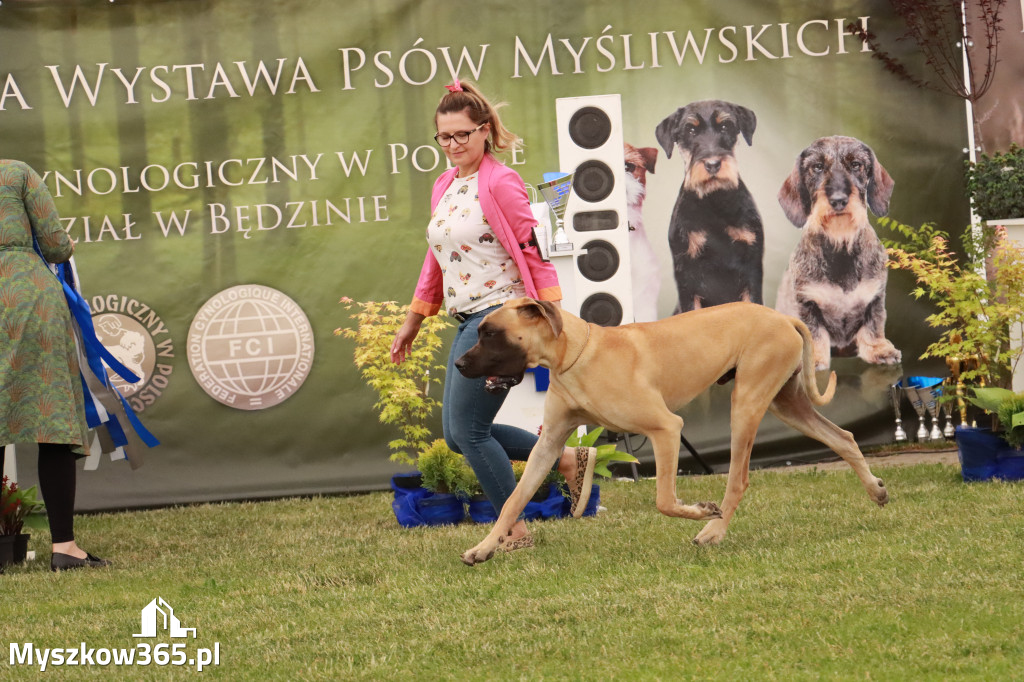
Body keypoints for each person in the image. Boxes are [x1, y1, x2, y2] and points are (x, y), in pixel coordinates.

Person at [390, 80, 596, 550]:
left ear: (484, 131)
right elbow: (436, 259)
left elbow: (532, 249)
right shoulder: (445, 184)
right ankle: (566, 461)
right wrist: (414, 319)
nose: (453, 145)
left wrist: (551, 315)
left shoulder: (501, 182)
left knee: (469, 430)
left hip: (501, 320)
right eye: (444, 137)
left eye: (462, 135)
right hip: (466, 319)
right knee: (460, 435)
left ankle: (513, 530)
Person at [0, 159, 111, 572]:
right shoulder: (15, 173)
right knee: (52, 421)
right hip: (30, 299)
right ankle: (64, 547)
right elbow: (55, 245)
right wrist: (68, 248)